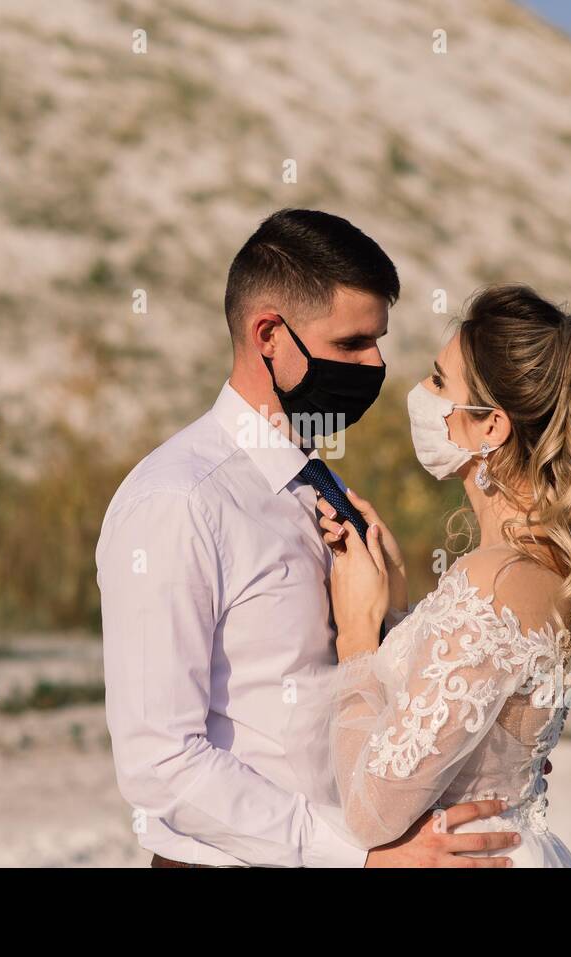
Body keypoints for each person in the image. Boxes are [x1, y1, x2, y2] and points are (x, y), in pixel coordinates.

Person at [96, 209, 523, 867]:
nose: (375, 365)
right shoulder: (178, 501)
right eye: (351, 345)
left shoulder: (323, 485)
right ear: (269, 334)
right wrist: (355, 855)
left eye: (377, 342)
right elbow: (161, 760)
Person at [316, 283, 571, 865]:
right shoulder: (548, 564)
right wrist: (398, 611)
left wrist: (358, 636)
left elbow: (370, 810)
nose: (419, 393)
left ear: (491, 426)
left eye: (439, 382)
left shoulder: (492, 581)